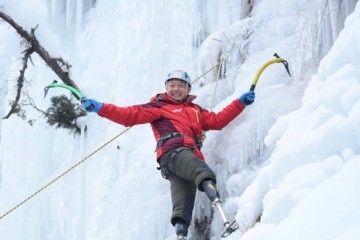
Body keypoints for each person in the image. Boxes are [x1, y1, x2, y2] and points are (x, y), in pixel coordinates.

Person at [81, 69, 255, 239]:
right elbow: (129, 115)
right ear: (166, 88)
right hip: (174, 152)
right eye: (172, 85)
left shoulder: (196, 111)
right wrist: (100, 108)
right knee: (202, 172)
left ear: (188, 90)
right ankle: (225, 219)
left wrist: (240, 103)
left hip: (180, 160)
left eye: (181, 85)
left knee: (183, 203)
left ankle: (180, 235)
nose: (176, 88)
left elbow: (217, 121)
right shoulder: (159, 106)